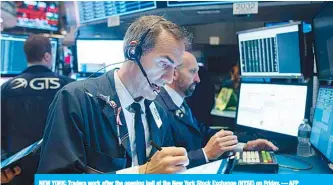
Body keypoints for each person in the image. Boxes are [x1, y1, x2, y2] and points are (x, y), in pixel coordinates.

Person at [37, 15, 192, 174]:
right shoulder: (76, 100)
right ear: (133, 52)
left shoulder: (159, 112)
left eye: (174, 68)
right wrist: (142, 174)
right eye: (163, 64)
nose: (168, 78)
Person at [155, 51, 278, 168]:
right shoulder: (158, 108)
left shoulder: (180, 101)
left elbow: (202, 133)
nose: (198, 79)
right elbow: (164, 164)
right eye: (193, 72)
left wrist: (243, 146)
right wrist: (205, 154)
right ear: (174, 73)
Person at [1, 35, 74, 184]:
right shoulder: (71, 86)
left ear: (27, 55)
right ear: (47, 56)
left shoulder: (7, 88)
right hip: (61, 170)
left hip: (18, 172)